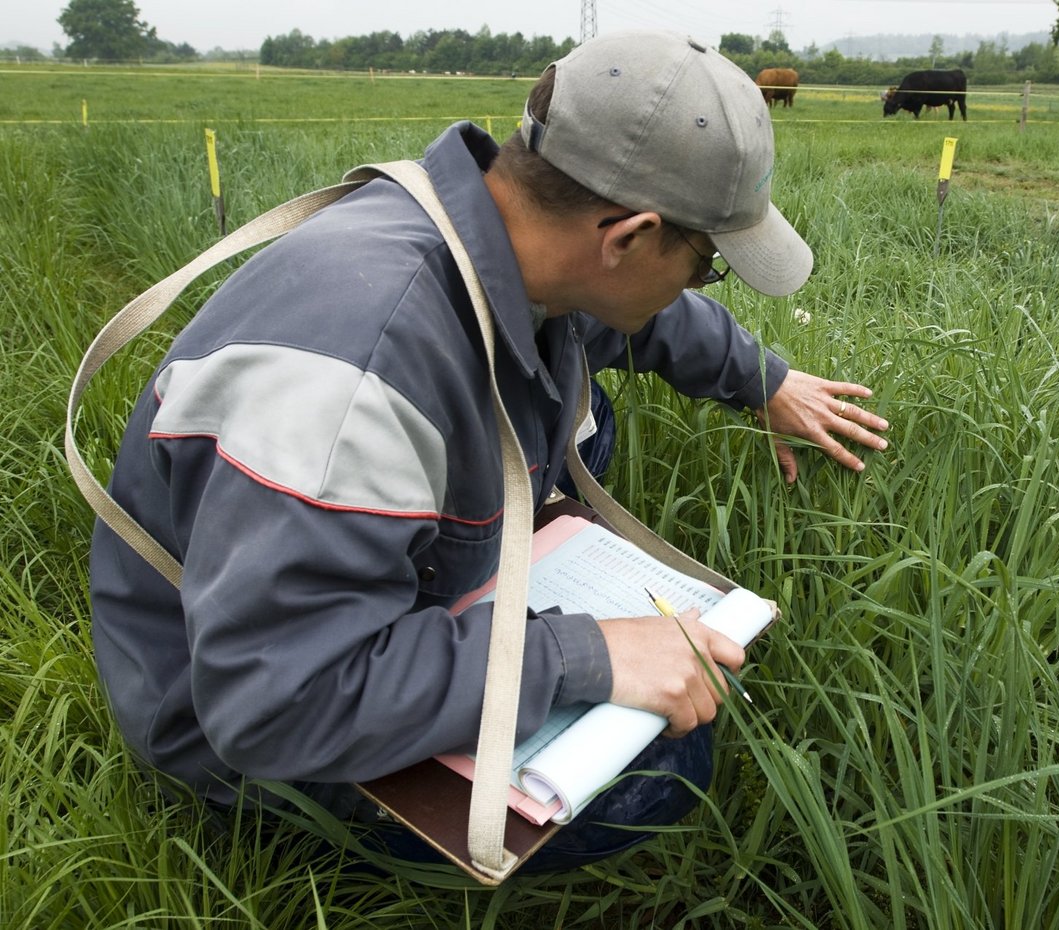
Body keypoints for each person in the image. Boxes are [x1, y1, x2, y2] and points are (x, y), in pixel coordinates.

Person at [88, 30, 889, 871]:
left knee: (582, 405)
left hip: (316, 599)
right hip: (244, 720)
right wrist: (589, 654)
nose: (696, 287)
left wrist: (764, 380)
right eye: (705, 266)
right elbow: (276, 702)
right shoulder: (356, 383)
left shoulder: (507, 228)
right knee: (660, 772)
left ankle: (455, 608)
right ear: (626, 237)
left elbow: (643, 318)